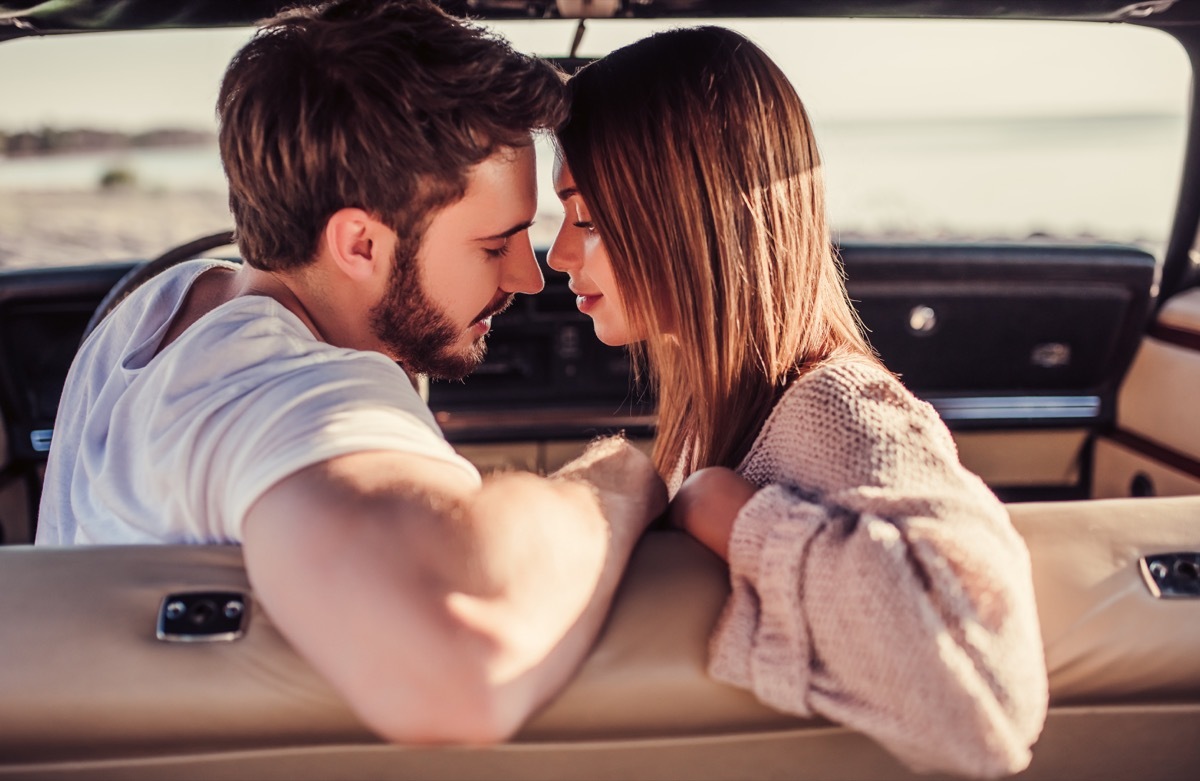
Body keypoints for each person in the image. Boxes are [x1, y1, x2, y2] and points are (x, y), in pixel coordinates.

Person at [37, 0, 666, 745]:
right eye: (496, 244)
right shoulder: (298, 393)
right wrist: (621, 476)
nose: (530, 279)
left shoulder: (159, 308)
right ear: (360, 244)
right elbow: (463, 672)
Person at [549, 26, 1048, 779]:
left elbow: (988, 699)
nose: (556, 254)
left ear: (691, 216)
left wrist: (732, 513)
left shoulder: (838, 405)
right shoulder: (713, 409)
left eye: (585, 218)